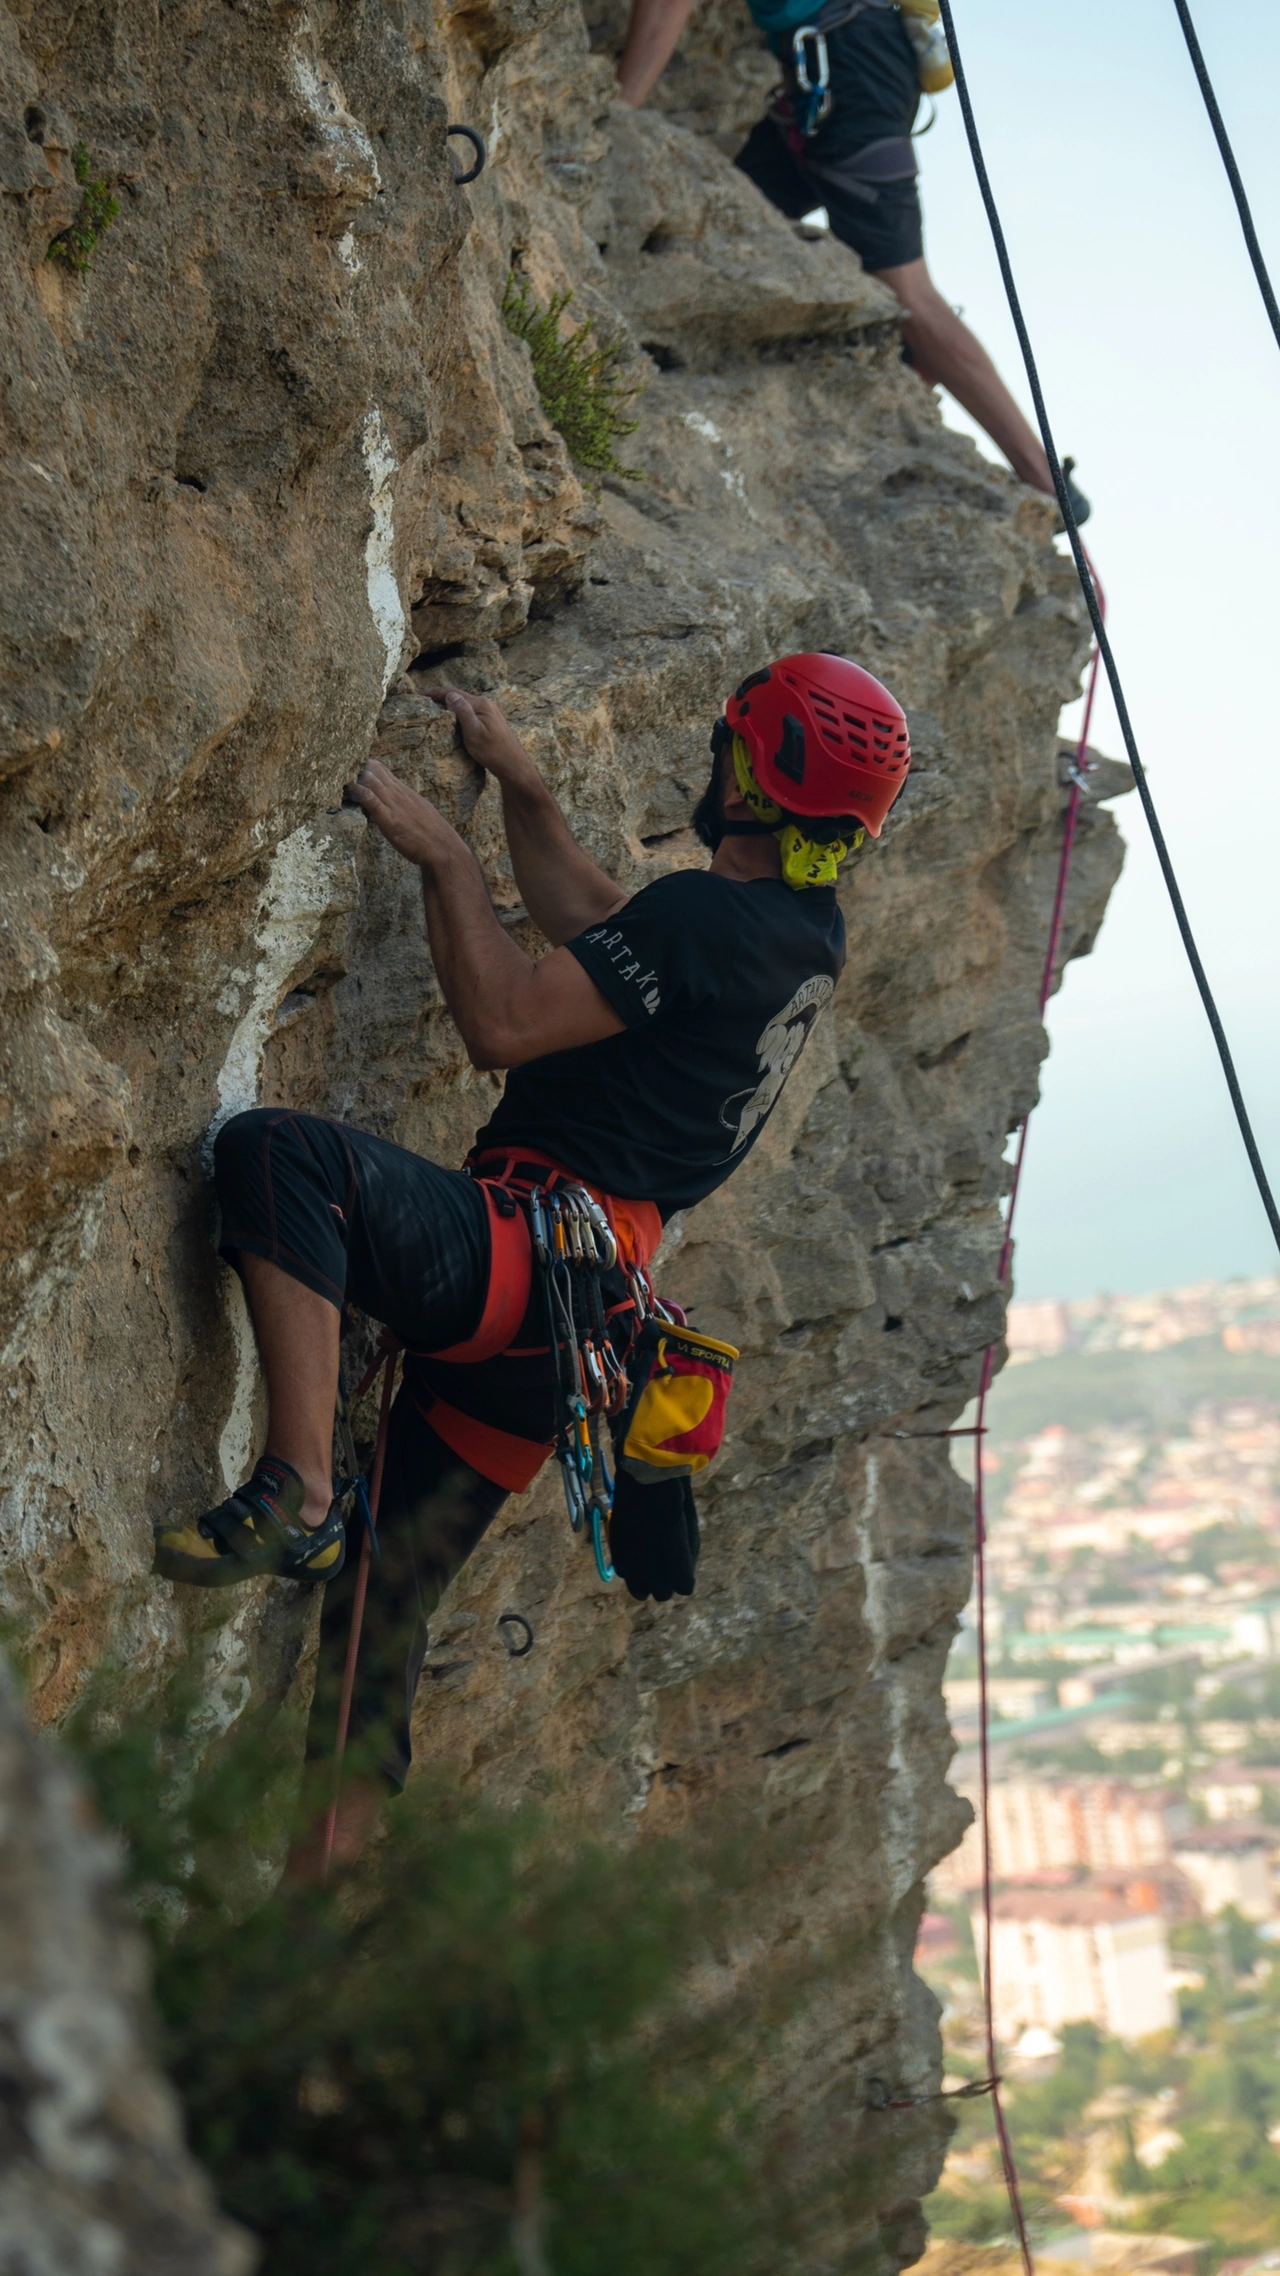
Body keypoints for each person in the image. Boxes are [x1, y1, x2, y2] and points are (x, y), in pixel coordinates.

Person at [153, 653, 911, 1797]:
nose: (715, 760)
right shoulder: (797, 933)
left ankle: (300, 1489)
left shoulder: (712, 916)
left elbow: (504, 1022)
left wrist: (448, 860)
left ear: (752, 778)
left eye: (728, 748)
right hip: (567, 1341)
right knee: (377, 1625)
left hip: (517, 1256)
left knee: (281, 1155)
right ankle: (326, 1923)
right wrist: (524, 790)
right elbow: (616, 928)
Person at [615, 0, 1090, 522]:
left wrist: (618, 104)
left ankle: (1040, 476)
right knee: (721, 232)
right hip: (833, 71)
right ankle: (911, 357)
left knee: (909, 291)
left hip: (847, 68)